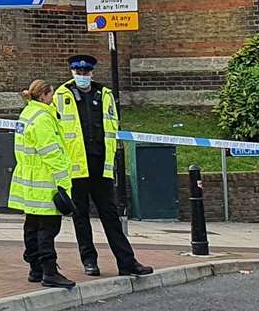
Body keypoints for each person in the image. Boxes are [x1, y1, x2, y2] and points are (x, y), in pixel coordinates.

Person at [53, 54, 152, 278]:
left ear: (91, 73)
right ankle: (89, 261)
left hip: (101, 165)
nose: (82, 76)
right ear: (72, 72)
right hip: (76, 167)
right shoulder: (61, 95)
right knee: (81, 218)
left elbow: (112, 127)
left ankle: (127, 262)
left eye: (85, 72)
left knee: (111, 216)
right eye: (78, 73)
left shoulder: (104, 94)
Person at [8, 78, 74, 290]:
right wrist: (64, 180)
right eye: (51, 95)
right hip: (46, 181)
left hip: (29, 180)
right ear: (44, 95)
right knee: (48, 229)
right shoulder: (43, 118)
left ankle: (35, 269)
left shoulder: (27, 113)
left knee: (32, 226)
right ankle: (50, 272)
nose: (53, 98)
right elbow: (51, 152)